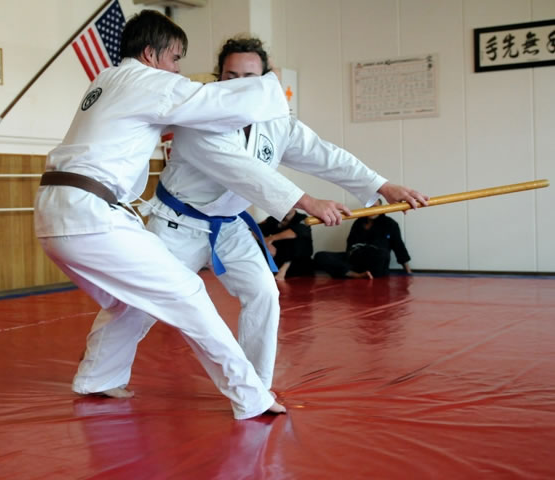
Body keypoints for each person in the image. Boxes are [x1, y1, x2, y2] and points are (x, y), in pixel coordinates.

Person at [34, 10, 297, 419]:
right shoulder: (148, 81)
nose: (177, 68)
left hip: (56, 214)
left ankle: (97, 377)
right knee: (189, 294)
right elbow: (213, 101)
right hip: (90, 216)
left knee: (130, 301)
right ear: (150, 54)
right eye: (175, 58)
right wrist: (269, 84)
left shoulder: (106, 79)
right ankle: (251, 396)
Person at [144, 36, 428, 392]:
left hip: (228, 227)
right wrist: (309, 203)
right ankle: (100, 373)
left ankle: (255, 387)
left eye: (250, 77)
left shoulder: (275, 121)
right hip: (176, 225)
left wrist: (382, 185)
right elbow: (248, 175)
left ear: (266, 80)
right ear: (218, 78)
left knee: (264, 292)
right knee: (141, 301)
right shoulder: (199, 118)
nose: (240, 86)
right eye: (231, 77)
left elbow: (323, 154)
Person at [314, 199, 413, 279]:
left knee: (382, 255)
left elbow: (399, 248)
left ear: (381, 208)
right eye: (369, 207)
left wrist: (408, 272)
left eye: (375, 207)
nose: (371, 210)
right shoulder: (358, 222)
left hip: (374, 261)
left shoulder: (390, 224)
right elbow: (350, 244)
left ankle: (347, 273)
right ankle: (355, 275)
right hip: (354, 260)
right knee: (320, 256)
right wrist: (348, 257)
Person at [258, 208, 314, 281]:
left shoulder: (303, 218)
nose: (285, 207)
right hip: (278, 259)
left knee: (301, 237)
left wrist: (271, 238)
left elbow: (298, 231)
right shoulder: (273, 219)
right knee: (255, 243)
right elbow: (254, 230)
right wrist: (266, 244)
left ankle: (284, 268)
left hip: (298, 263)